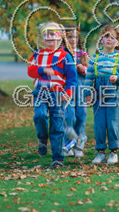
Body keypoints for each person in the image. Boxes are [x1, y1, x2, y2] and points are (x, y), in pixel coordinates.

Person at [28, 22, 77, 168]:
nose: (48, 37)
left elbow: (72, 79)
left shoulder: (65, 56)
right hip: (40, 92)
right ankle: (42, 139)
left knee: (57, 125)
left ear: (59, 37)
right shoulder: (38, 54)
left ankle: (58, 158)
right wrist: (43, 70)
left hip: (57, 94)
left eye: (52, 34)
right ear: (42, 39)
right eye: (45, 35)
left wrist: (68, 93)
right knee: (40, 116)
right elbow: (30, 71)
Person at [85, 24, 119, 164]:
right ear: (101, 40)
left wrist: (118, 78)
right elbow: (89, 78)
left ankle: (113, 152)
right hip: (98, 96)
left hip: (114, 95)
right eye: (106, 37)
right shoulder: (94, 59)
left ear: (117, 42)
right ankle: (100, 152)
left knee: (113, 122)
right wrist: (88, 93)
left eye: (112, 37)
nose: (109, 39)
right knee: (100, 123)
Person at [65, 24, 89, 157]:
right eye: (69, 37)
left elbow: (91, 73)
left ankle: (79, 147)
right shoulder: (62, 54)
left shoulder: (83, 55)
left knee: (81, 116)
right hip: (67, 90)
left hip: (81, 90)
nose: (72, 40)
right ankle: (68, 145)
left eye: (74, 37)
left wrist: (83, 69)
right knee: (69, 117)